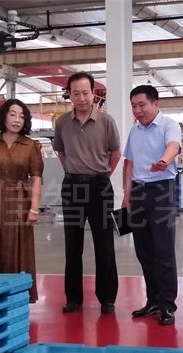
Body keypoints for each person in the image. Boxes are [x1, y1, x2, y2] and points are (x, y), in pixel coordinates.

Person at [53, 72, 122, 314]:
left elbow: (116, 153)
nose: (81, 98)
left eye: (85, 93)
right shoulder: (62, 123)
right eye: (76, 93)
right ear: (69, 95)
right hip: (72, 187)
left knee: (104, 244)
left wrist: (102, 175)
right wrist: (74, 171)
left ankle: (107, 298)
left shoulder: (106, 121)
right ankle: (73, 298)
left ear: (93, 93)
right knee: (72, 244)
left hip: (100, 186)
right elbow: (61, 152)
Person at [0, 99, 44, 303]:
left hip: (20, 203)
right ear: (3, 116)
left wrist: (34, 208)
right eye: (12, 114)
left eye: (22, 116)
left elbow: (36, 178)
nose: (17, 120)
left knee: (19, 247)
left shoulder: (31, 146)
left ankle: (17, 296)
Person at [121, 85, 182, 325]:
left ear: (155, 104)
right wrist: (126, 196)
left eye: (142, 105)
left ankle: (167, 305)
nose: (137, 110)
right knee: (144, 251)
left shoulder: (169, 125)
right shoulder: (134, 130)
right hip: (138, 192)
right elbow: (129, 164)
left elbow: (173, 146)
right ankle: (153, 301)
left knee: (163, 250)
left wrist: (163, 161)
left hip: (161, 191)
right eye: (133, 106)